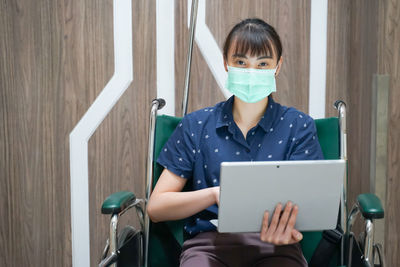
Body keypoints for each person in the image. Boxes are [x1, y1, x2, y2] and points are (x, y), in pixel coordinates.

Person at [147, 18, 324, 267]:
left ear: (278, 66)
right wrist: (214, 194)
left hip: (277, 247)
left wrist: (287, 228)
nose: (251, 72)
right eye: (241, 62)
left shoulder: (298, 126)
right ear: (226, 63)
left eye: (263, 64)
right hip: (208, 246)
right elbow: (157, 207)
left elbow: (311, 205)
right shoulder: (196, 125)